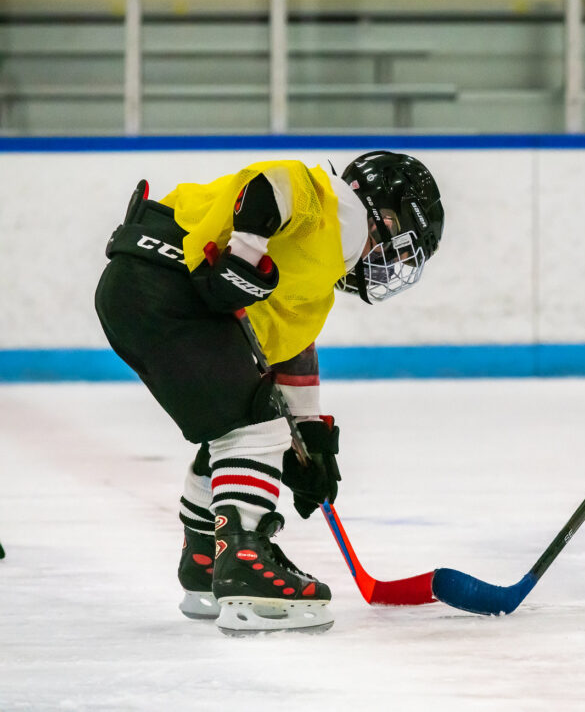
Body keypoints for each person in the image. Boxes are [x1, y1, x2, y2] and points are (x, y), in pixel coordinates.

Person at [94, 151, 445, 634]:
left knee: (234, 422)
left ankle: (204, 559)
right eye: (401, 249)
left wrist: (309, 443)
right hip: (161, 282)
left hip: (136, 293)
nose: (393, 265)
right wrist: (242, 251)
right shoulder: (328, 204)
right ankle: (244, 565)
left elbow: (284, 357)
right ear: (383, 213)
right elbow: (267, 186)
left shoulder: (317, 285)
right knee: (254, 428)